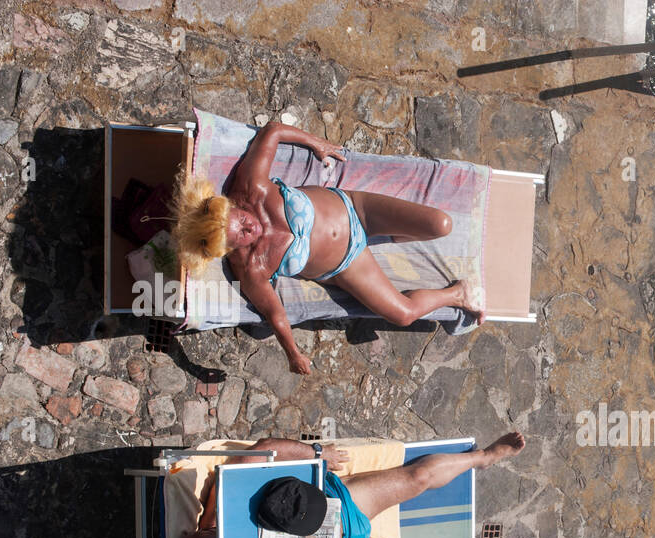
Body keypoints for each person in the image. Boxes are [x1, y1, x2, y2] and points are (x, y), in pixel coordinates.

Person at [171, 121, 483, 376]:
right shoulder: (250, 267)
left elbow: (272, 131)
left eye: (239, 219)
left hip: (357, 210)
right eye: (237, 236)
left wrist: (313, 142)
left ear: (230, 205)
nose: (247, 228)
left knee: (442, 225)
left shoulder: (251, 186)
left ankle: (395, 234)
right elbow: (274, 312)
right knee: (402, 314)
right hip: (348, 264)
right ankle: (457, 294)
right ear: (228, 248)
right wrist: (292, 353)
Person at [177, 433, 526, 538]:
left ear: (210, 530)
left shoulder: (227, 495)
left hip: (334, 504)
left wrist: (317, 452)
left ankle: (482, 457)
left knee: (416, 479)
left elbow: (267, 447)